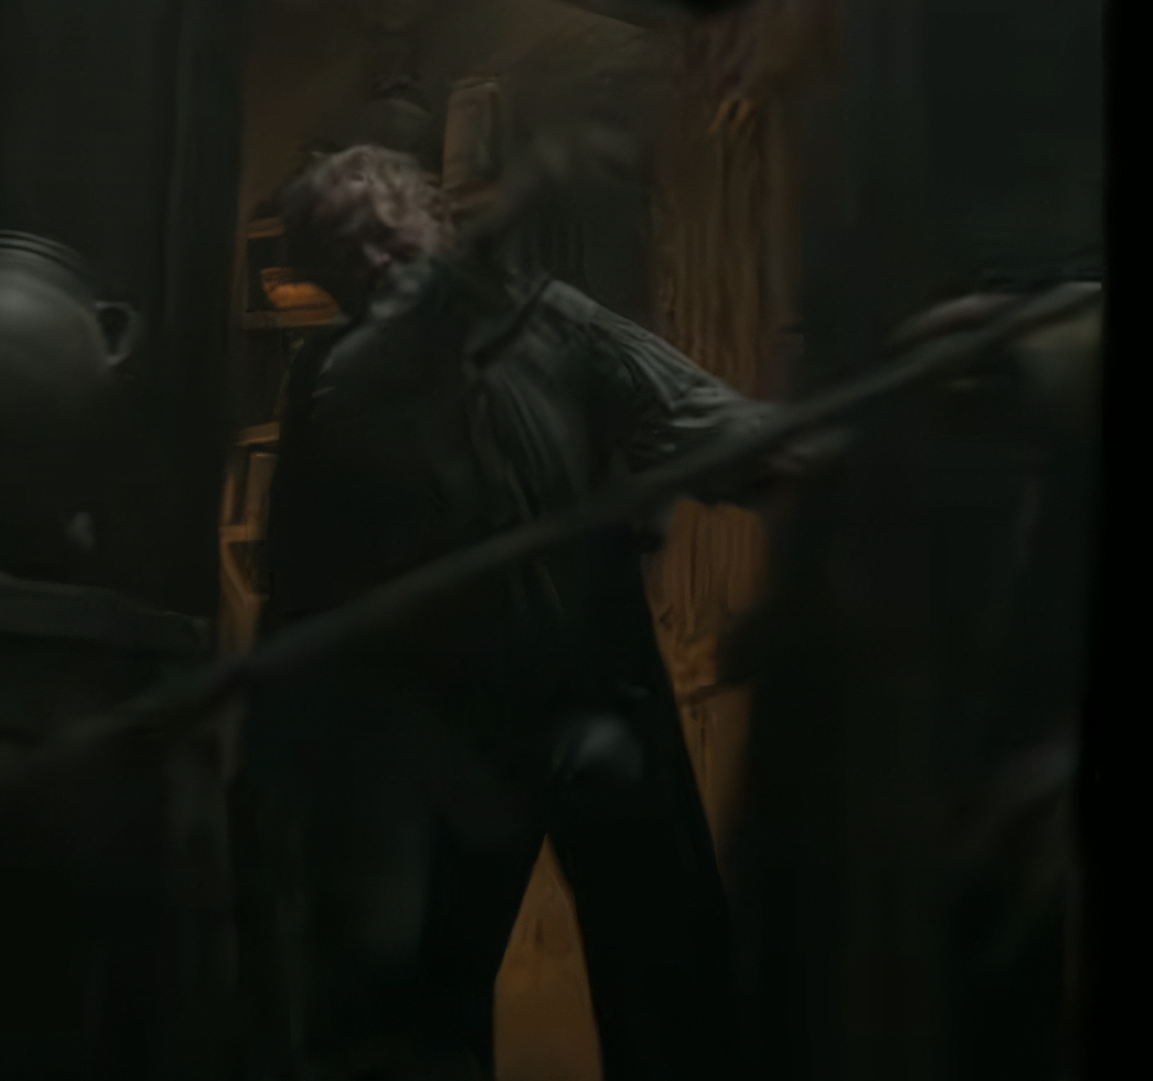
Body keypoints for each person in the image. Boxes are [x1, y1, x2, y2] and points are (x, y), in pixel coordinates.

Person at [232, 144, 810, 1081]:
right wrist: (278, 748)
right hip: (442, 735)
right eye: (345, 253)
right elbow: (298, 581)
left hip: (600, 692)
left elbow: (701, 419)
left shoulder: (554, 323)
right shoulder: (326, 383)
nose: (373, 262)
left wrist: (803, 458)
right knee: (423, 1013)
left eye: (382, 234)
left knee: (669, 992)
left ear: (432, 216)